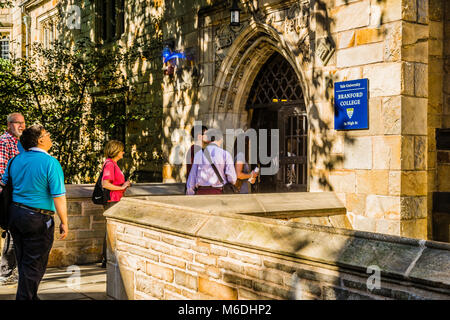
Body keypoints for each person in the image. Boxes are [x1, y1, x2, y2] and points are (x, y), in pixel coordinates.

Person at [0, 124, 68, 300]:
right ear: (40, 140)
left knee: (24, 261)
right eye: (47, 133)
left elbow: (3, 186)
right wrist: (64, 222)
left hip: (15, 216)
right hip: (37, 219)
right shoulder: (51, 163)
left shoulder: (14, 160)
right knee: (35, 265)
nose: (50, 136)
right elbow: (58, 196)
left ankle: (31, 296)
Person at [0, 113, 26, 286]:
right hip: (9, 194)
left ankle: (10, 270)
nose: (22, 126)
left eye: (23, 123)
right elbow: (1, 170)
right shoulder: (4, 141)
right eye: (18, 123)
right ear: (9, 124)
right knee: (11, 232)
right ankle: (5, 272)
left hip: (18, 193)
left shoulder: (19, 142)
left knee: (16, 232)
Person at [100, 140, 131, 267]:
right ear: (116, 151)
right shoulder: (110, 164)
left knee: (110, 230)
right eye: (121, 150)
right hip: (112, 201)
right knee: (110, 230)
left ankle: (107, 258)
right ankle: (107, 259)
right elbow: (105, 184)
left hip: (116, 200)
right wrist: (122, 187)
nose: (123, 152)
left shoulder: (113, 164)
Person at [186, 128, 237, 195]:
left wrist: (190, 194)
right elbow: (232, 179)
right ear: (220, 139)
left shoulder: (199, 154)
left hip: (201, 193)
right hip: (219, 193)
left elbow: (191, 180)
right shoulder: (225, 154)